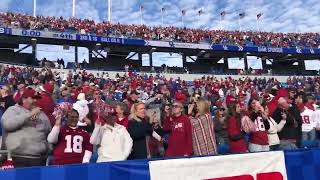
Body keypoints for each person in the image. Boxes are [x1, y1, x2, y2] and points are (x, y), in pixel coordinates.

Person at [1, 88, 51, 167]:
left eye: (37, 99)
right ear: (24, 99)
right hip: (18, 157)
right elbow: (8, 125)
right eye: (33, 98)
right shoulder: (13, 110)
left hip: (39, 158)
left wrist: (47, 150)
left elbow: (48, 133)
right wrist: (29, 114)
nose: (35, 101)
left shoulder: (41, 114)